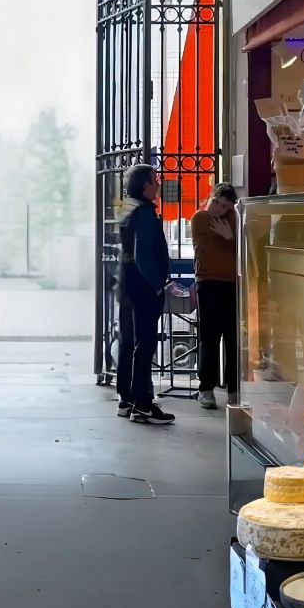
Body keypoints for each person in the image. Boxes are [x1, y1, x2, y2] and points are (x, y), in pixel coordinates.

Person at [115, 164, 175, 426]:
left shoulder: (127, 208)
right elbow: (143, 254)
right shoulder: (146, 213)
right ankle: (142, 404)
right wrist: (157, 284)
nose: (159, 183)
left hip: (127, 284)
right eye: (155, 179)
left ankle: (127, 399)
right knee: (146, 343)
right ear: (145, 186)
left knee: (130, 341)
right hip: (143, 287)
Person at [190, 183, 238, 410]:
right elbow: (209, 243)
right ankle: (206, 388)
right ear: (210, 196)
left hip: (231, 284)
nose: (218, 208)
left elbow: (241, 247)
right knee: (209, 336)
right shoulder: (199, 217)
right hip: (208, 282)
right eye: (216, 202)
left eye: (224, 206)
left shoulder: (234, 220)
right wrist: (229, 237)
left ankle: (234, 389)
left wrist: (232, 237)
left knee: (233, 338)